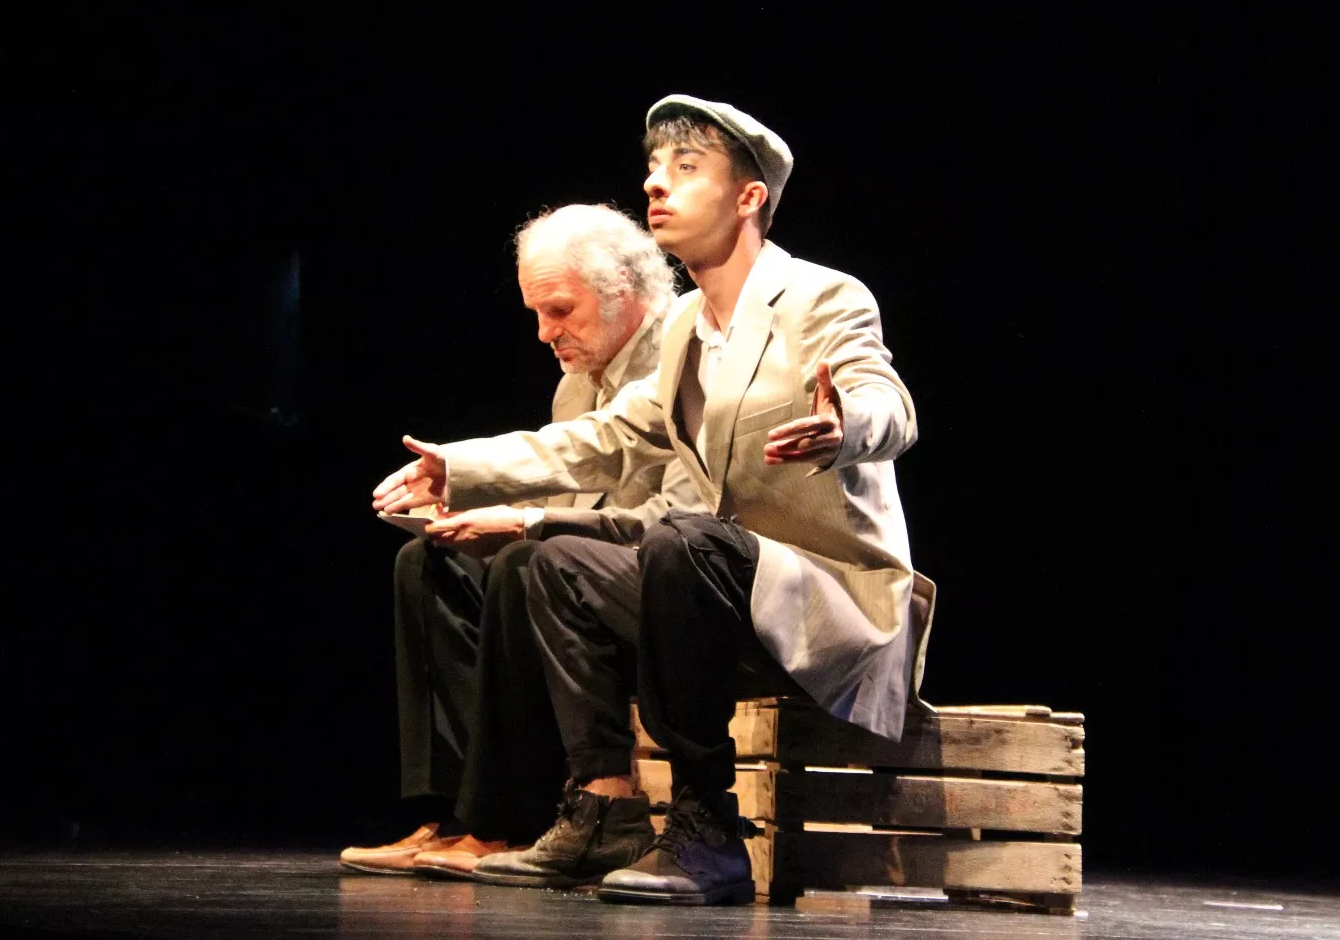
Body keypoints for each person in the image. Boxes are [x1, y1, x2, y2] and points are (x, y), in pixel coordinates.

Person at [373, 96, 936, 905]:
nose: (655, 186)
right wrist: (459, 468)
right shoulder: (683, 329)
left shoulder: (821, 297)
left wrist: (848, 422)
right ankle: (606, 810)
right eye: (653, 170)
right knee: (548, 563)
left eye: (685, 170)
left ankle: (708, 830)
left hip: (824, 600)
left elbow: (888, 400)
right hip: (719, 600)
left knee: (681, 536)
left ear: (748, 199)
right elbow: (605, 437)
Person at [342, 203, 699, 879]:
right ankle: (454, 811)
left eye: (560, 310)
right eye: (536, 313)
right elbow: (564, 499)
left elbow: (679, 518)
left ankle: (504, 819)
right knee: (428, 563)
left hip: (655, 585)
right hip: (571, 576)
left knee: (530, 561)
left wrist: (525, 525)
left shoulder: (682, 360)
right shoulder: (577, 382)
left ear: (626, 292)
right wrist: (481, 513)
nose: (544, 333)